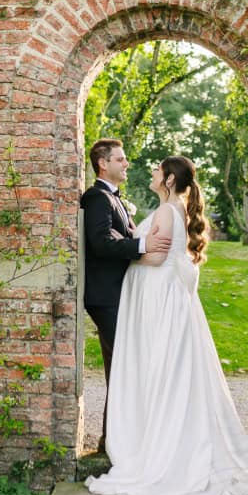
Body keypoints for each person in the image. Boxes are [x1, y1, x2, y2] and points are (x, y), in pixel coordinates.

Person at [86, 155, 248, 495]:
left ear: (167, 179)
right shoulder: (173, 207)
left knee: (161, 369)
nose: (151, 170)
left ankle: (161, 452)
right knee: (170, 371)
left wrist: (135, 251)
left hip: (158, 296)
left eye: (156, 169)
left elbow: (158, 256)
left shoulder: (167, 211)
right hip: (164, 295)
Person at [81, 138, 172, 453]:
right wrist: (142, 245)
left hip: (119, 295)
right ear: (103, 163)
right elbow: (102, 242)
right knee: (125, 367)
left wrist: (136, 238)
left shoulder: (114, 199)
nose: (126, 163)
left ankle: (113, 441)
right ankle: (117, 443)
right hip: (106, 296)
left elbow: (121, 234)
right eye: (120, 159)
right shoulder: (96, 198)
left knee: (120, 367)